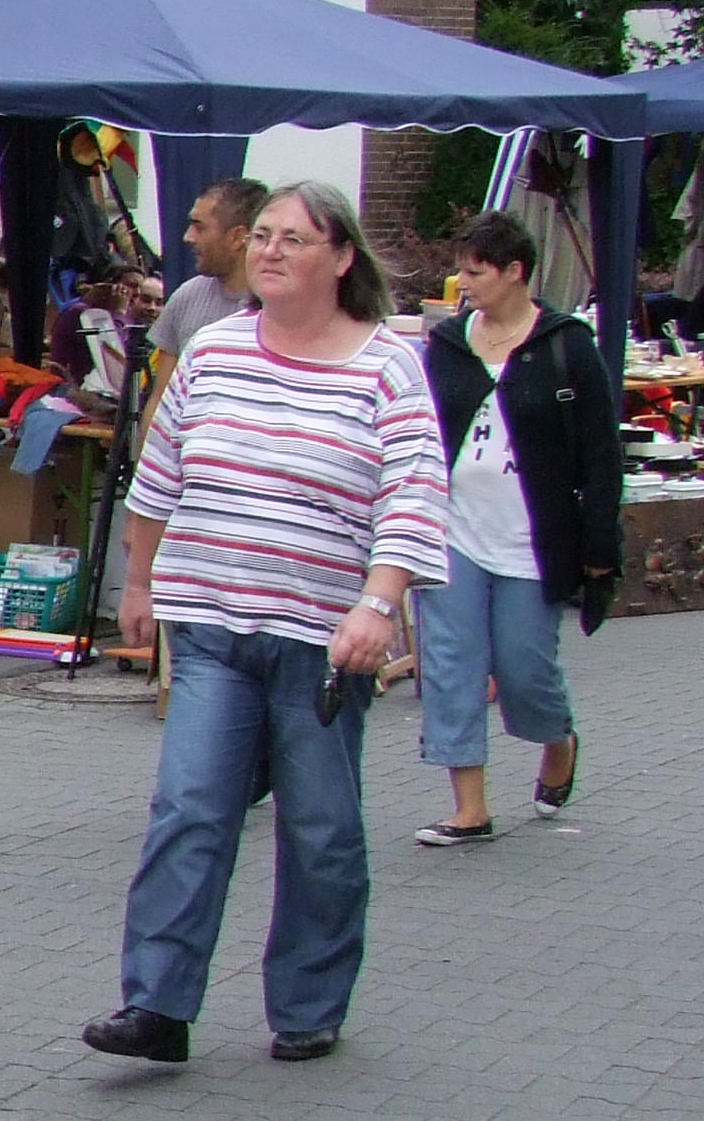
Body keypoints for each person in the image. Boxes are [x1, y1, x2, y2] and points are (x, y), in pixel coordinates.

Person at [87, 182, 447, 1068]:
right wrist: (140, 581)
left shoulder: (388, 367)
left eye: (295, 239)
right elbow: (160, 471)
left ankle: (308, 1004)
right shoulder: (214, 351)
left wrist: (378, 604)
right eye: (265, 237)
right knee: (189, 809)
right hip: (211, 624)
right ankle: (157, 1004)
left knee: (321, 828)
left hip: (323, 641)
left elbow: (412, 496)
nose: (271, 251)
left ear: (342, 257)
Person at [411, 211, 618, 849]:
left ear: (514, 272)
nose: (463, 283)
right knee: (452, 664)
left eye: (475, 272)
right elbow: (418, 430)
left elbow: (601, 453)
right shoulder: (448, 345)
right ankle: (469, 808)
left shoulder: (566, 344)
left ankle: (557, 739)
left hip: (533, 539)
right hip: (454, 532)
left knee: (525, 668)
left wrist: (601, 547)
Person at [148, 179, 265, 370]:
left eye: (199, 227)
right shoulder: (187, 297)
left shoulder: (281, 310)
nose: (188, 237)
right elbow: (163, 387)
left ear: (237, 237)